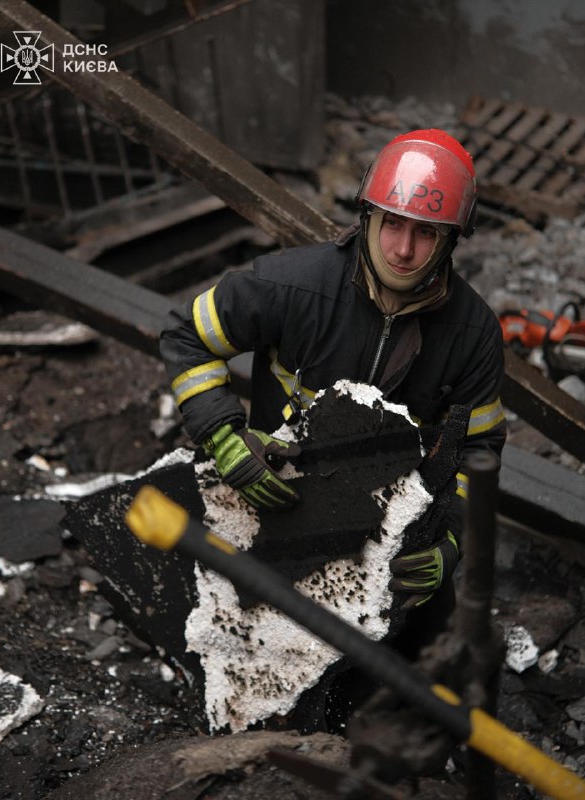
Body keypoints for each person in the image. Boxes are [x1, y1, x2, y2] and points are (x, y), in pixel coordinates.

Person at [160, 128, 507, 619]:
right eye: (392, 222)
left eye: (425, 232)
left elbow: (479, 452)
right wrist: (224, 435)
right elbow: (186, 334)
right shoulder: (295, 287)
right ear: (367, 216)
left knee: (422, 662)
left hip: (387, 542)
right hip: (272, 500)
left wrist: (450, 542)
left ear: (452, 239)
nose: (403, 249)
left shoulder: (473, 335)